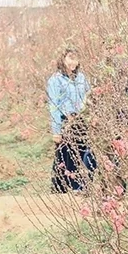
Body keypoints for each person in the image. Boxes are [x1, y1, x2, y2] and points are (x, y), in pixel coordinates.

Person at [47, 46, 97, 193]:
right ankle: (59, 189)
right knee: (64, 156)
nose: (73, 62)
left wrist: (92, 116)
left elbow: (89, 97)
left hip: (81, 120)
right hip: (65, 121)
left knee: (83, 154)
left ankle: (78, 188)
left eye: (75, 58)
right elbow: (54, 105)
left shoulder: (81, 78)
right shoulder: (55, 80)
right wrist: (56, 130)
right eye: (70, 58)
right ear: (63, 59)